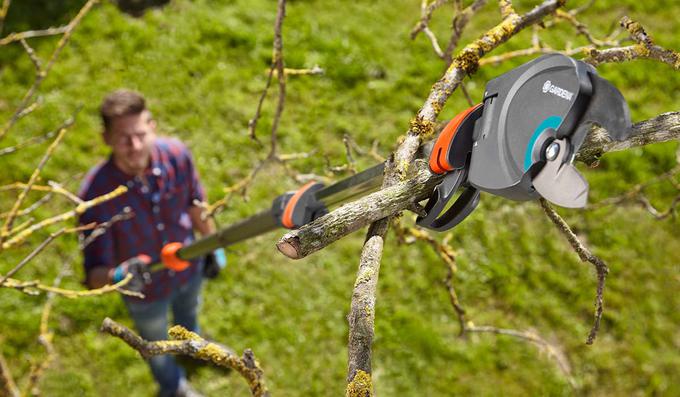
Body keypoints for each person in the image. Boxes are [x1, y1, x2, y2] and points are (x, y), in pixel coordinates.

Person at [78, 89, 226, 397]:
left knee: (190, 314)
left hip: (188, 269)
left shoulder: (177, 155)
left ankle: (193, 346)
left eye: (140, 134)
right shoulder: (95, 196)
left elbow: (195, 204)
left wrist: (211, 243)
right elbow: (94, 276)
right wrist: (120, 276)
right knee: (156, 345)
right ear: (106, 138)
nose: (134, 146)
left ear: (153, 127)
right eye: (123, 138)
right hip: (145, 294)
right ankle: (172, 387)